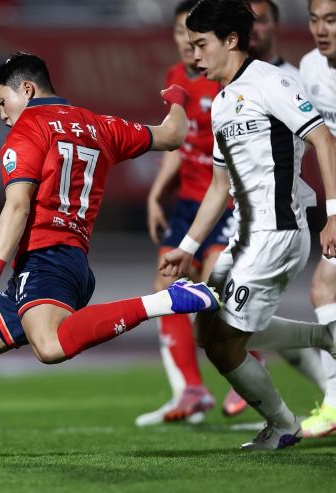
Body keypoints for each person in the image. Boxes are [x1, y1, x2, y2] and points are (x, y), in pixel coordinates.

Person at [0, 53, 221, 438]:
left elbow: (18, 205)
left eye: (2, 102)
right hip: (66, 261)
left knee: (49, 346)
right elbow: (172, 135)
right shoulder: (99, 125)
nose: (2, 116)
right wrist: (179, 99)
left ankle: (164, 301)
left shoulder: (27, 129)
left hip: (46, 261)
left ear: (27, 90)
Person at [161, 0, 336, 450]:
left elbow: (323, 139)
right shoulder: (222, 103)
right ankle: (326, 336)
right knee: (205, 330)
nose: (194, 54)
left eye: (202, 44)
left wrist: (334, 214)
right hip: (244, 237)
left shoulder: (270, 82)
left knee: (225, 344)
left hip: (277, 234)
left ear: (231, 40)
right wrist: (187, 246)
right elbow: (219, 186)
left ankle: (282, 425)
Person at [218, 0, 327, 419]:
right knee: (216, 326)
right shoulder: (225, 94)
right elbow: (221, 177)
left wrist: (331, 210)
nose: (255, 28)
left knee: (228, 334)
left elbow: (322, 140)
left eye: (261, 20)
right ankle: (322, 353)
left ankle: (297, 414)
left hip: (283, 222)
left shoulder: (289, 79)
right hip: (249, 224)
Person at [137, 0, 225, 427]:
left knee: (218, 289)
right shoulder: (175, 76)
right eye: (179, 34)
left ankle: (254, 374)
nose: (186, 43)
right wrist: (157, 193)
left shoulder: (227, 77)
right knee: (165, 286)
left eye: (193, 35)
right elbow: (177, 141)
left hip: (228, 201)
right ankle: (190, 389)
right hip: (189, 202)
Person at [299, 0, 336, 438]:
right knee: (325, 287)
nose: (320, 29)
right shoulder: (310, 67)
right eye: (314, 19)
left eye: (331, 20)